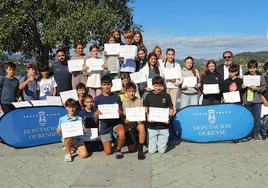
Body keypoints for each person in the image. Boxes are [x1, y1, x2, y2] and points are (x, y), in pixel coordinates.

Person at [94, 75, 125, 159]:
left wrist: (120, 112)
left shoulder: (117, 97)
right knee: (108, 152)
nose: (106, 87)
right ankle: (113, 140)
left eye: (108, 84)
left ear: (111, 85)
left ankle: (118, 149)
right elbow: (95, 116)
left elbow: (121, 113)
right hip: (105, 125)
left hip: (116, 123)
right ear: (101, 85)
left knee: (122, 134)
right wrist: (96, 114)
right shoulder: (97, 99)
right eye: (104, 84)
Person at [144, 76, 174, 154]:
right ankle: (153, 144)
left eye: (160, 86)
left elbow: (171, 109)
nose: (158, 88)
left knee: (162, 151)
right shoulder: (148, 96)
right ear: (153, 85)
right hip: (152, 126)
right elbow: (145, 108)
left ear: (163, 86)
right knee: (152, 151)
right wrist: (147, 116)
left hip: (163, 127)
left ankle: (161, 144)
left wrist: (168, 118)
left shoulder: (167, 96)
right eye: (156, 86)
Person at [243, 60, 266, 141]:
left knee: (257, 118)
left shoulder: (260, 76)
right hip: (247, 100)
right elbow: (241, 87)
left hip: (257, 100)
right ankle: (249, 133)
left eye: (253, 68)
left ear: (256, 68)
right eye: (250, 68)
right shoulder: (245, 76)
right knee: (248, 118)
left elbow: (264, 87)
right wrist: (242, 87)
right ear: (248, 68)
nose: (252, 70)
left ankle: (256, 134)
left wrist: (257, 88)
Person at [122, 82, 146, 160]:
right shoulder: (123, 101)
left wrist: (141, 119)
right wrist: (124, 120)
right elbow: (121, 115)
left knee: (142, 127)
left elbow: (142, 114)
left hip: (137, 123)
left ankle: (141, 149)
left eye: (133, 91)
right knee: (131, 149)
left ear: (135, 91)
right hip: (128, 125)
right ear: (126, 91)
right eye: (129, 91)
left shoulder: (139, 101)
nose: (131, 93)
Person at [163, 48, 182, 112]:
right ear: (166, 55)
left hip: (174, 88)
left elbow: (180, 79)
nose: (170, 56)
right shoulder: (161, 65)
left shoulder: (177, 65)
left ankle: (172, 120)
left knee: (173, 105)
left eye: (172, 54)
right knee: (164, 105)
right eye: (169, 54)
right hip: (164, 87)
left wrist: (175, 81)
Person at [261, 62, 268, 140]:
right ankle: (264, 132)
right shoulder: (264, 79)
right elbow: (260, 91)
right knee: (266, 119)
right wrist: (263, 99)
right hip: (265, 101)